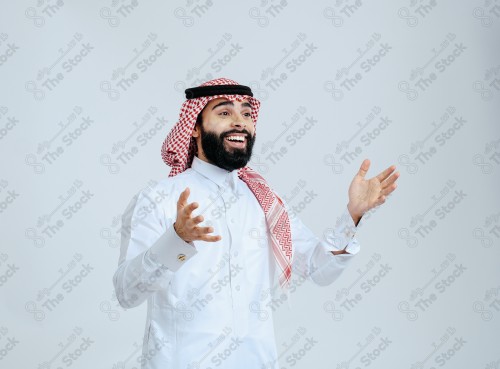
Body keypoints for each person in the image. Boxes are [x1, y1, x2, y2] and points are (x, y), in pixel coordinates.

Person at [113, 77, 399, 369]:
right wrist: (176, 240)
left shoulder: (264, 200)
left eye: (247, 114)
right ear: (195, 127)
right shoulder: (159, 198)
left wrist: (352, 217)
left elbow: (318, 268)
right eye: (224, 113)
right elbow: (127, 292)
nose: (240, 122)